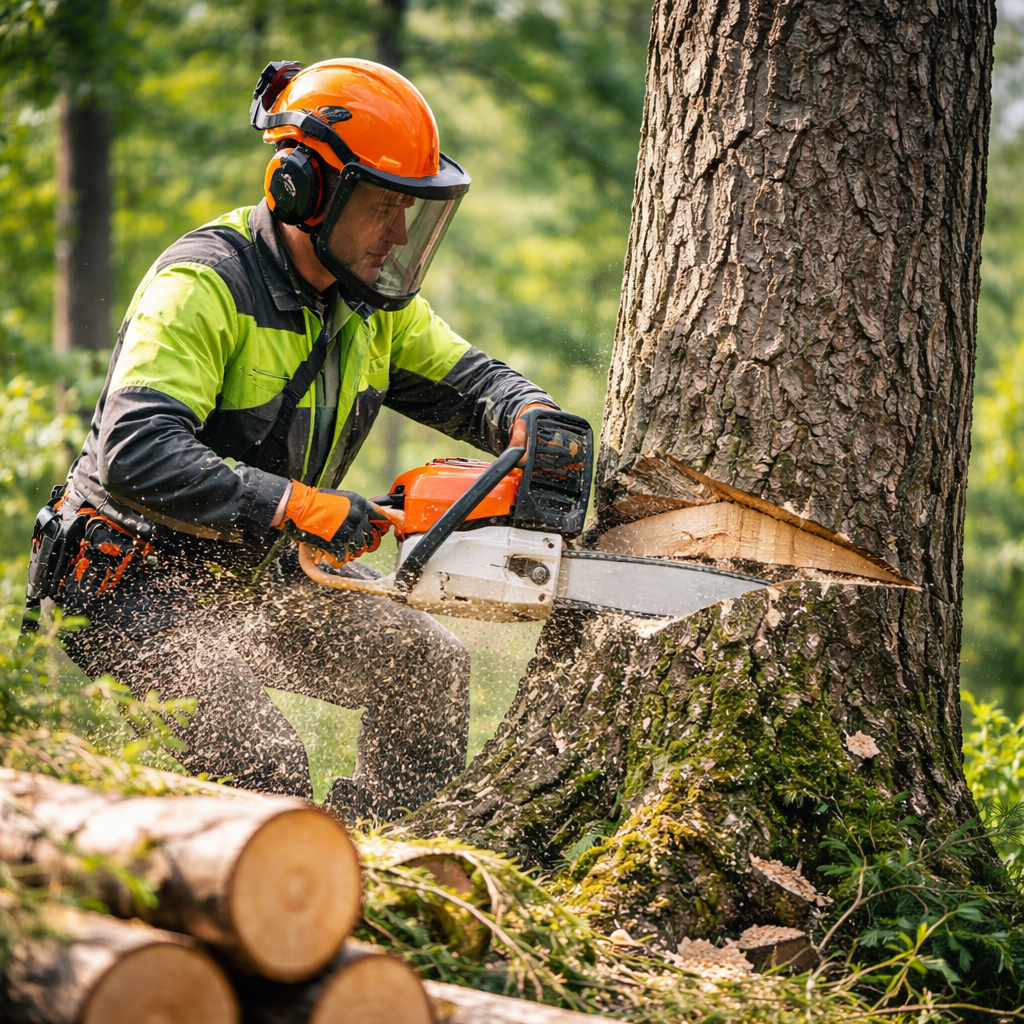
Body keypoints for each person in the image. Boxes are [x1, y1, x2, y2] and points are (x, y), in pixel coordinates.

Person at [28, 58, 558, 820]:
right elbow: (136, 451)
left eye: (411, 209)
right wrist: (296, 505)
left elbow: (470, 382)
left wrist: (529, 413)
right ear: (304, 189)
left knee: (427, 665)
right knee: (263, 763)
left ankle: (384, 864)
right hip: (130, 578)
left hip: (253, 568)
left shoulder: (372, 304)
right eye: (383, 206)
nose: (399, 233)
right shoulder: (204, 287)